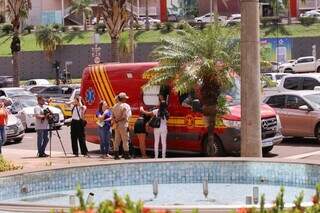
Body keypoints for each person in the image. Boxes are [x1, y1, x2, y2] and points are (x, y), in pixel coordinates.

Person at [112, 92, 131, 160]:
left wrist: (116, 121)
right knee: (125, 140)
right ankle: (126, 155)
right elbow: (125, 117)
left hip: (117, 126)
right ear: (122, 99)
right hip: (123, 125)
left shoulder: (114, 106)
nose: (126, 99)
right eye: (125, 98)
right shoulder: (125, 106)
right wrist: (118, 120)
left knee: (117, 140)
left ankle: (116, 155)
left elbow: (112, 117)